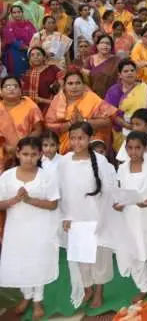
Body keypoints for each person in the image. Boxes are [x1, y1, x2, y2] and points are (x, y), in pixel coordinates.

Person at [0, 137, 60, 321]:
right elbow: (1, 204)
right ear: (17, 154)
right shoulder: (7, 176)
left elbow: (52, 204)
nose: (29, 158)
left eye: (33, 154)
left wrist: (29, 200)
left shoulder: (46, 176)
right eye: (25, 154)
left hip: (40, 228)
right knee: (21, 263)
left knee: (38, 262)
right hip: (16, 229)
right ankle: (26, 296)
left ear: (40, 155)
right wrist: (16, 200)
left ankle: (37, 301)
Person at [59, 122, 117, 309]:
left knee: (98, 258)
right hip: (74, 219)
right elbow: (60, 191)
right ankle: (87, 289)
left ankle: (99, 292)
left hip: (96, 218)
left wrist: (106, 217)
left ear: (90, 139)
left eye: (81, 138)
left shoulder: (100, 161)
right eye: (73, 138)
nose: (76, 142)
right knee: (81, 258)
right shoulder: (64, 161)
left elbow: (109, 190)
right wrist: (64, 217)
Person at [113, 131, 147, 303]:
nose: (133, 152)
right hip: (129, 217)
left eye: (138, 148)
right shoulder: (121, 169)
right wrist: (118, 205)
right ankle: (142, 286)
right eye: (130, 148)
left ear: (145, 148)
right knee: (135, 252)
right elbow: (120, 194)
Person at [45, 72, 117, 154]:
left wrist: (84, 121)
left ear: (83, 86)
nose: (74, 86)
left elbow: (108, 121)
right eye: (70, 83)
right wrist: (70, 124)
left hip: (92, 143)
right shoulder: (57, 100)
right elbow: (49, 125)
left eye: (78, 83)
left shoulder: (92, 98)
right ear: (64, 86)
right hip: (65, 147)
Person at [104, 60, 147, 151]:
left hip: (143, 131)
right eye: (126, 71)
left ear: (136, 73)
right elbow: (111, 113)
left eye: (132, 70)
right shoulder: (114, 91)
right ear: (119, 75)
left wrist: (140, 126)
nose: (130, 73)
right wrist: (129, 126)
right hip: (121, 131)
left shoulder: (145, 88)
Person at [0, 76, 44, 161]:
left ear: (20, 91)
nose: (11, 89)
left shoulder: (29, 105)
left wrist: (23, 145)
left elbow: (38, 130)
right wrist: (6, 147)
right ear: (1, 91)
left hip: (26, 151)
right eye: (7, 86)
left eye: (15, 86)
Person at [21, 47, 62, 114]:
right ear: (30, 59)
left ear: (44, 57)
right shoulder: (28, 74)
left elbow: (63, 84)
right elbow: (25, 96)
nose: (35, 57)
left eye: (38, 54)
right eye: (32, 55)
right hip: (35, 108)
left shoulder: (53, 68)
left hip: (54, 106)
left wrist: (45, 100)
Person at [2, 4, 37, 78]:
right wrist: (27, 48)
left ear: (22, 12)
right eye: (14, 13)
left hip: (30, 52)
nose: (17, 14)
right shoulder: (8, 25)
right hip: (15, 54)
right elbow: (12, 41)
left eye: (19, 12)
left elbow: (35, 36)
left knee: (30, 74)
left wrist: (32, 47)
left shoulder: (29, 23)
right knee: (18, 75)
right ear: (11, 14)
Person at [84, 35, 120, 99]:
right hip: (92, 97)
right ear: (97, 46)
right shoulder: (90, 60)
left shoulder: (116, 61)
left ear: (111, 47)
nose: (105, 45)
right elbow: (84, 80)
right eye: (102, 43)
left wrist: (91, 73)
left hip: (111, 96)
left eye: (108, 43)